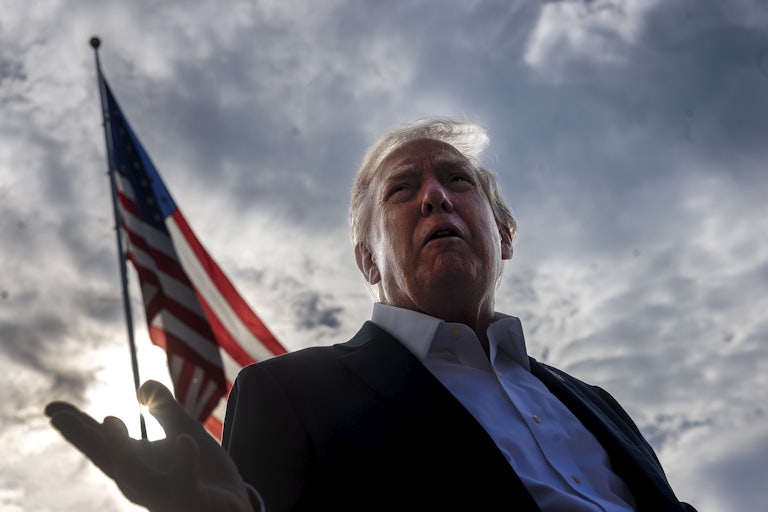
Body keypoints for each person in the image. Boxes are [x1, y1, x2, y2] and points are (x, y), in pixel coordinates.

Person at [46, 118, 697, 511]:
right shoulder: (286, 393)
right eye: (402, 190)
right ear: (366, 260)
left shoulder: (598, 404)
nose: (435, 197)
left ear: (503, 232)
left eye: (457, 180)